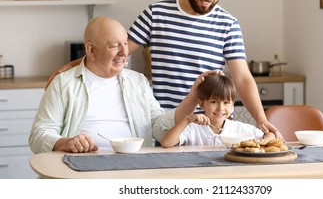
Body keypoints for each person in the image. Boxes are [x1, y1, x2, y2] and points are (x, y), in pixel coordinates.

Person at [45, 0, 281, 139]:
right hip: (166, 128)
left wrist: (261, 119)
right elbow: (118, 51)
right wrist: (74, 65)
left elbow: (242, 78)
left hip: (209, 129)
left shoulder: (228, 23)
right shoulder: (157, 13)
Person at [29, 17, 216, 153]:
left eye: (125, 44)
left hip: (132, 171)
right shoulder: (64, 83)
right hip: (79, 169)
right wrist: (64, 143)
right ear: (91, 50)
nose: (123, 52)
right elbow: (38, 136)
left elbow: (159, 128)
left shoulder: (138, 82)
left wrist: (193, 96)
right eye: (114, 46)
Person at [160, 74, 275, 147]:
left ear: (232, 105)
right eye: (214, 102)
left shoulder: (238, 128)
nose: (220, 108)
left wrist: (263, 142)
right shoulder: (192, 128)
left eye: (226, 103)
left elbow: (269, 135)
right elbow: (166, 142)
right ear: (201, 103)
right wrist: (186, 120)